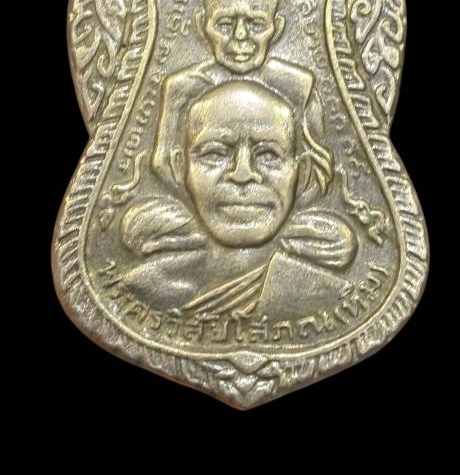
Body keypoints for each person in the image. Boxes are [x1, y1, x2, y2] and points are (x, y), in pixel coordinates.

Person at [122, 81, 356, 317]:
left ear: (302, 172)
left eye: (268, 154)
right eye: (215, 152)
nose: (242, 174)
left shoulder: (330, 295)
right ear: (180, 167)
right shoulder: (142, 288)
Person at [152, 0, 331, 196]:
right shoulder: (181, 89)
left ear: (277, 28)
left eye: (256, 24)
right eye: (225, 24)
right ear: (201, 25)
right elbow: (163, 167)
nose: (240, 35)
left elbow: (319, 175)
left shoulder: (299, 87)